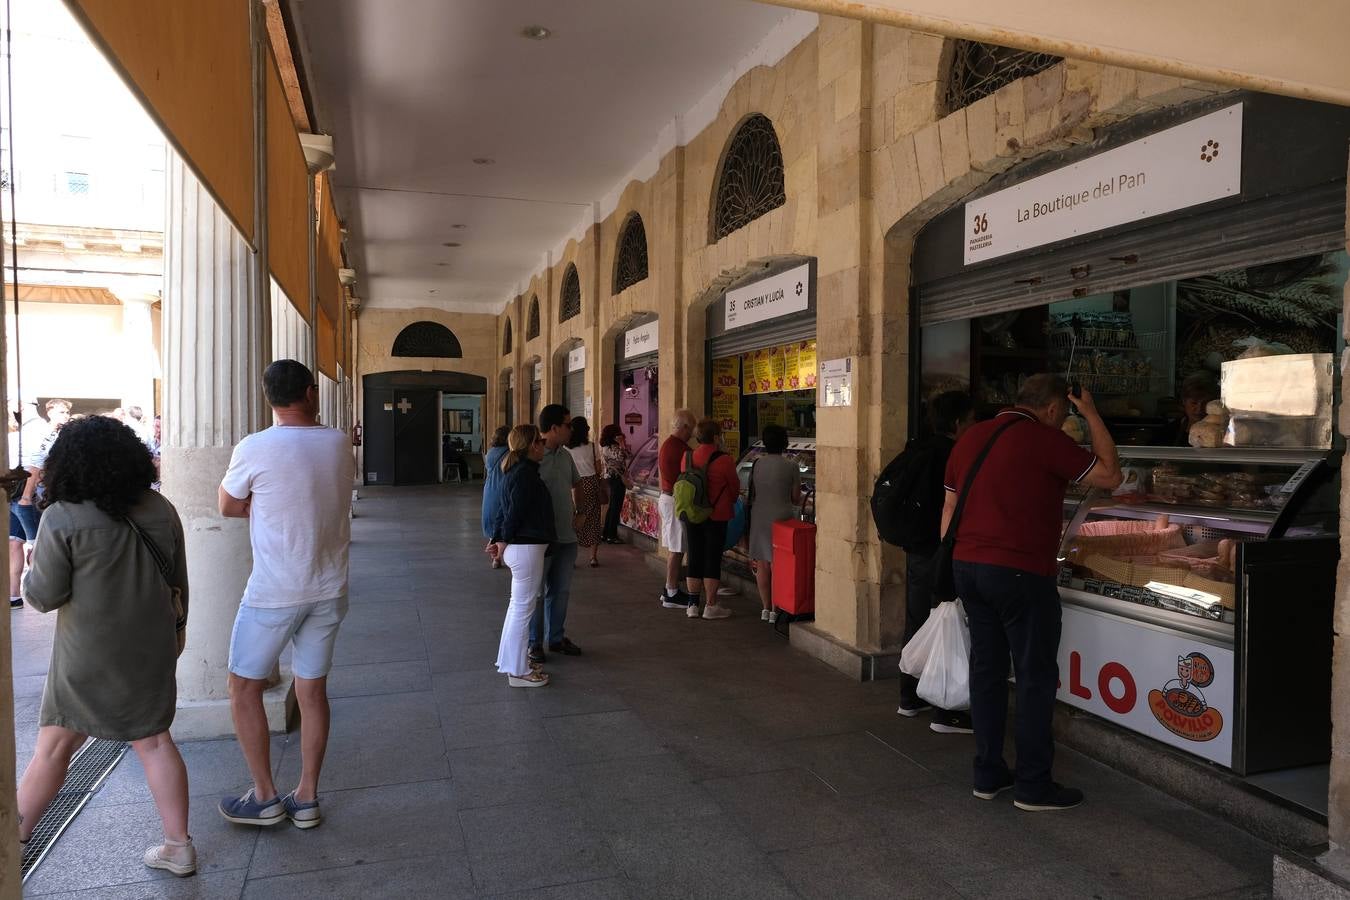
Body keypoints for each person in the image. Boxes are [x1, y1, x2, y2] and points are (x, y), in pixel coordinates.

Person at [16, 415, 195, 875]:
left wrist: (27, 570)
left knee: (55, 747)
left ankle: (13, 843)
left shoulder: (63, 516)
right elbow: (178, 581)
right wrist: (175, 638)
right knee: (154, 741)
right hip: (150, 646)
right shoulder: (160, 508)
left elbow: (42, 596)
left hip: (86, 656)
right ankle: (179, 845)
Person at [943, 374, 1121, 812]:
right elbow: (1110, 475)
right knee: (1034, 676)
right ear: (1056, 409)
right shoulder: (1043, 439)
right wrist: (1093, 412)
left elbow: (948, 507)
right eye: (1066, 415)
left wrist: (959, 561)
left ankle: (988, 773)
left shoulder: (970, 438)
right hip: (1020, 572)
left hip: (968, 567)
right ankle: (1033, 784)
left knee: (986, 671)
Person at [217, 360, 356, 831]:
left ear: (267, 398)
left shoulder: (254, 447)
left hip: (273, 592)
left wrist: (267, 503)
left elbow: (228, 505)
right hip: (329, 587)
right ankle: (308, 796)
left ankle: (264, 795)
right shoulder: (339, 443)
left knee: (242, 688)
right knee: (312, 690)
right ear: (311, 393)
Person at [896, 391, 976, 733]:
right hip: (941, 551)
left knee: (919, 621)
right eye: (972, 420)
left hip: (916, 550)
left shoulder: (917, 448)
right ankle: (945, 709)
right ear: (959, 423)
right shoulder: (956, 454)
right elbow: (951, 506)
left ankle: (909, 698)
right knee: (947, 624)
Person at [486, 424, 555, 687]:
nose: (544, 446)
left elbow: (503, 510)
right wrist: (501, 540)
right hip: (526, 547)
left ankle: (512, 661)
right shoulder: (524, 474)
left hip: (523, 546)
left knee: (518, 607)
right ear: (531, 446)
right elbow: (514, 512)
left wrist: (498, 538)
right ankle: (517, 671)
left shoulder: (515, 471)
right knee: (523, 609)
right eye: (540, 441)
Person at [528, 404, 582, 665]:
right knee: (537, 593)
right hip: (541, 539)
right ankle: (534, 643)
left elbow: (577, 482)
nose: (572, 429)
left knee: (561, 591)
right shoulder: (533, 456)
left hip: (567, 536)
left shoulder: (566, 456)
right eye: (568, 425)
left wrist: (580, 510)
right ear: (554, 428)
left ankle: (557, 638)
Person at [681, 418, 740, 620]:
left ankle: (692, 604)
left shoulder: (687, 457)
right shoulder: (725, 460)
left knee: (694, 555)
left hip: (692, 514)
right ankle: (711, 605)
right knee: (712, 558)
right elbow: (734, 489)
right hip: (717, 514)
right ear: (716, 437)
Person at [745, 424, 801, 624]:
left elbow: (753, 492)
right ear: (784, 442)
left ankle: (765, 608)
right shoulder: (792, 466)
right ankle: (777, 609)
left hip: (760, 516)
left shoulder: (757, 464)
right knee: (779, 564)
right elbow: (795, 498)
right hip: (782, 518)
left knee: (762, 563)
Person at [13, 399, 70, 558]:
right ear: (50, 412)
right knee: (34, 543)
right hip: (36, 490)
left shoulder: (57, 431)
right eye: (61, 412)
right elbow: (37, 461)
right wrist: (26, 495)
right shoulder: (44, 430)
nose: (65, 415)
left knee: (33, 542)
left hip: (40, 489)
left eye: (67, 412)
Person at [656, 410, 697, 610]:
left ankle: (669, 589)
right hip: (674, 500)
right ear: (684, 427)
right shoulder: (679, 448)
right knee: (676, 548)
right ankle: (671, 591)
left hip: (669, 499)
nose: (692, 433)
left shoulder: (669, 444)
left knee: (677, 547)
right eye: (691, 428)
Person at [566, 416, 604, 567]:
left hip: (572, 485)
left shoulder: (566, 448)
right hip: (590, 484)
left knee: (573, 521)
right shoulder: (592, 446)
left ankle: (572, 559)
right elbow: (599, 468)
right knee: (593, 519)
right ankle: (593, 557)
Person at [481, 425, 512, 569]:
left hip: (490, 490)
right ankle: (500, 555)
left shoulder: (490, 452)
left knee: (493, 522)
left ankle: (495, 558)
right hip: (502, 489)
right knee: (503, 520)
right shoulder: (510, 453)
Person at [598, 425, 632, 544]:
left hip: (615, 478)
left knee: (613, 506)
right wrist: (622, 443)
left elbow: (629, 456)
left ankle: (607, 533)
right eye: (618, 433)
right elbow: (622, 456)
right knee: (615, 507)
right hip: (616, 478)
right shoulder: (608, 447)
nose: (621, 435)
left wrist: (622, 444)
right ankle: (611, 535)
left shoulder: (610, 446)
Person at [1172, 372, 1220, 446]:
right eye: (1194, 403)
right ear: (1184, 402)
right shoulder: (1169, 432)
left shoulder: (1222, 433)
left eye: (1205, 403)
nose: (1199, 409)